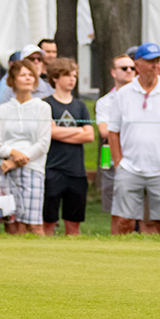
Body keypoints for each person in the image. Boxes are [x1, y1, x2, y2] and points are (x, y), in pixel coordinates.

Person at [108, 42, 160, 236]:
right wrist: (119, 162)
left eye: (157, 61)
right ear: (137, 64)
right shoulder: (123, 94)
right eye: (150, 61)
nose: (155, 65)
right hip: (129, 167)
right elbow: (113, 131)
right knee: (124, 221)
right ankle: (120, 259)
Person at [0, 60, 53, 235]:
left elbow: (43, 143)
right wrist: (12, 153)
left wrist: (17, 161)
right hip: (4, 168)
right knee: (11, 223)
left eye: (31, 75)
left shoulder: (43, 108)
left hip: (33, 168)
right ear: (13, 80)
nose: (28, 78)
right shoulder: (3, 110)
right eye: (23, 75)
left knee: (33, 224)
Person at [42, 58, 94, 236]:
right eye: (66, 75)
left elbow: (89, 135)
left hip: (76, 171)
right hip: (52, 169)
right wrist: (78, 130)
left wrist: (61, 131)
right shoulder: (46, 104)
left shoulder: (80, 106)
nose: (72, 79)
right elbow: (49, 132)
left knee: (73, 224)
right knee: (48, 221)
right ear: (55, 78)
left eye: (74, 75)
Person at [95, 54, 136, 212]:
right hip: (109, 154)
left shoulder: (143, 98)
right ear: (113, 72)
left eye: (132, 68)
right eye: (124, 68)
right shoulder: (104, 102)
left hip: (137, 155)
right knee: (111, 200)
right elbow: (104, 131)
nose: (129, 71)